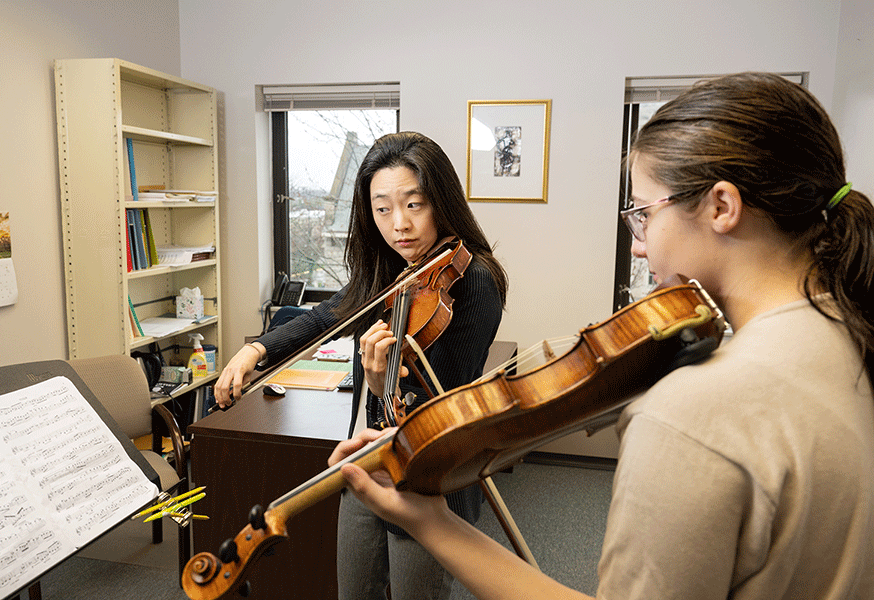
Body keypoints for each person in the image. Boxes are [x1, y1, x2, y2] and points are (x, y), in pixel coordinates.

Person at [329, 72, 874, 600]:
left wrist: (433, 525)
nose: (638, 246)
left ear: (722, 207)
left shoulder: (690, 413)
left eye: (641, 216)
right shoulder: (849, 337)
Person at [214, 131, 508, 600]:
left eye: (414, 204)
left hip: (427, 479)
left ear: (442, 201)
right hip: (364, 463)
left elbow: (441, 408)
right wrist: (257, 351)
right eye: (382, 208)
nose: (400, 226)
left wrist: (379, 383)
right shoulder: (390, 271)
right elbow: (329, 313)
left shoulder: (473, 282)